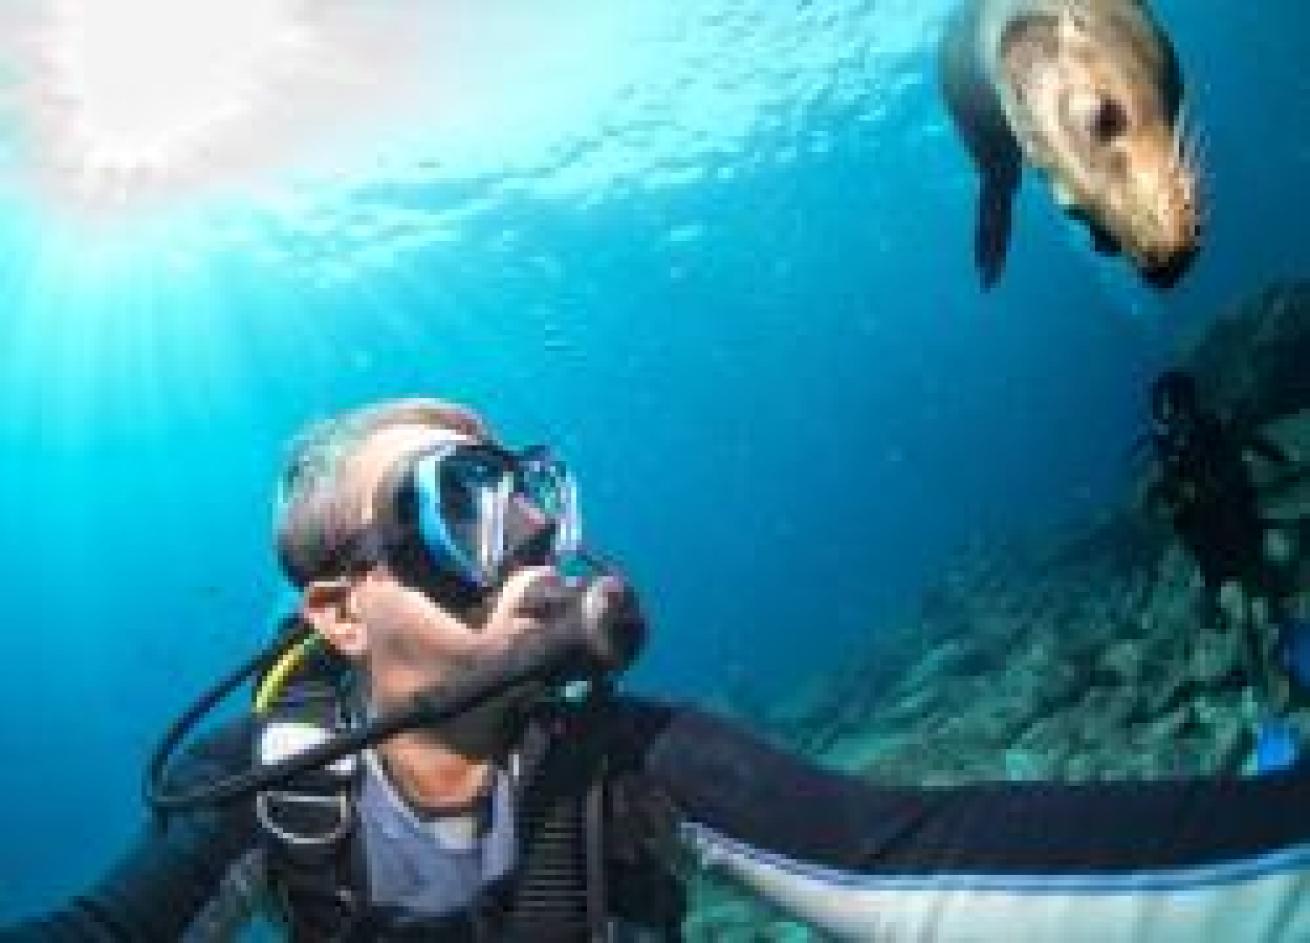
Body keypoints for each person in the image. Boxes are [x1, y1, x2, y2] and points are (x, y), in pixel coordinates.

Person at [9, 397, 1310, 942]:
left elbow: (922, 858)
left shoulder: (636, 763)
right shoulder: (261, 780)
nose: (525, 527)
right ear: (340, 610)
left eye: (529, 488)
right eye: (461, 497)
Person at [1143, 370, 1298, 711]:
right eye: (1165, 414)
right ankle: (1268, 692)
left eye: (1171, 412)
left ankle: (1276, 672)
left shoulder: (1210, 432)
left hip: (1237, 538)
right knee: (1244, 614)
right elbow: (1162, 504)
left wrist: (1283, 461)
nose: (1170, 421)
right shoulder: (1173, 451)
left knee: (1258, 605)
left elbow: (1252, 445)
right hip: (1216, 551)